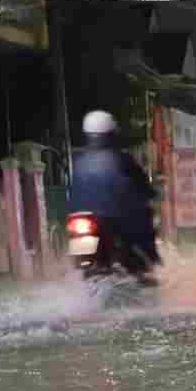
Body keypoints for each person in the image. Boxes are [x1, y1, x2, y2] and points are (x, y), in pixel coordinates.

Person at [68, 109, 159, 280]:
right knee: (145, 217)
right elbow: (143, 186)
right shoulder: (122, 159)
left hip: (81, 218)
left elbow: (72, 192)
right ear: (112, 133)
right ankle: (147, 263)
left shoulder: (78, 161)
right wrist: (150, 194)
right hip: (117, 216)